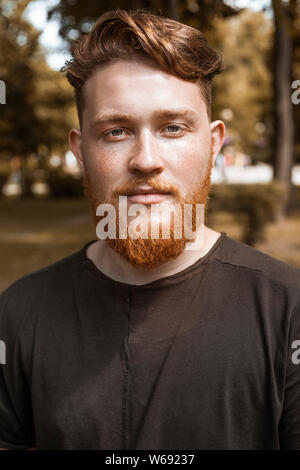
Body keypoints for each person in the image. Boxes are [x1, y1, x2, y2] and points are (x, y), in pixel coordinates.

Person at [1, 9, 300, 451]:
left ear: (213, 143)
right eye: (116, 131)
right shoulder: (18, 314)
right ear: (80, 148)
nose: (145, 159)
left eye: (173, 128)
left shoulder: (288, 309)